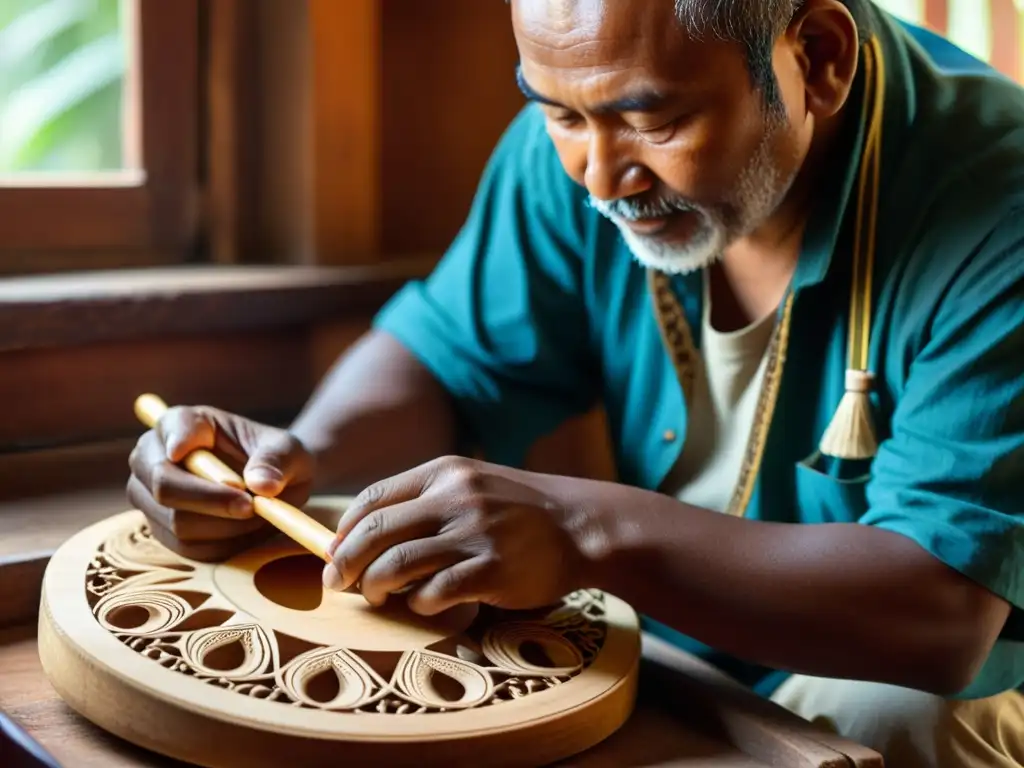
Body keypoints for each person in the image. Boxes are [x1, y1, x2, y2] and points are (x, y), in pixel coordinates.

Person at [127, 0, 1024, 764]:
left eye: (654, 120)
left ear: (818, 59)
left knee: (892, 720)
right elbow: (444, 359)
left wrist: (587, 532)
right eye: (557, 114)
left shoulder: (999, 203)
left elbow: (943, 616)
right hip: (681, 647)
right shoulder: (592, 112)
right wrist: (290, 465)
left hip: (940, 678)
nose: (598, 178)